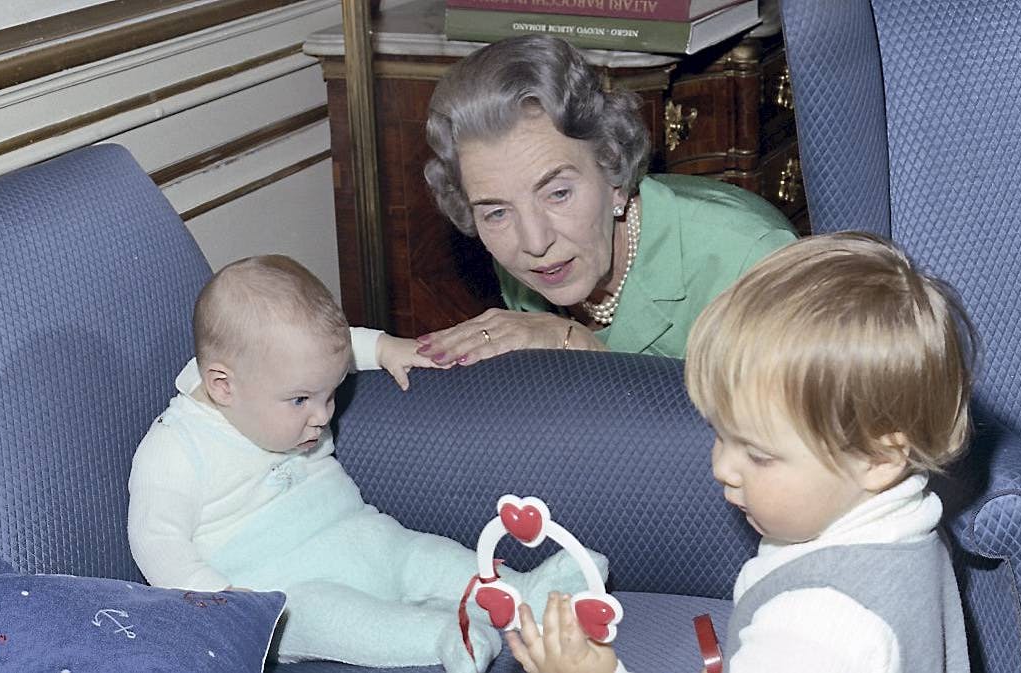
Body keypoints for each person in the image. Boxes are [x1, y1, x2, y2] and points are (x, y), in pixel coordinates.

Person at [505, 232, 975, 673]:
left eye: (758, 454)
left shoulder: (816, 627)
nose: (721, 468)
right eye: (718, 432)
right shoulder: (907, 530)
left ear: (878, 459)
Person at [127, 255, 602, 673]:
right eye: (301, 401)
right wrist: (227, 603)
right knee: (334, 618)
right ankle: (441, 637)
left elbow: (328, 349)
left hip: (361, 534)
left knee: (421, 556)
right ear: (223, 386)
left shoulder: (271, 374)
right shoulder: (175, 449)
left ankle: (526, 595)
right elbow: (157, 542)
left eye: (330, 393)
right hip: (283, 588)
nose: (323, 415)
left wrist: (384, 348)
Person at [419, 34, 797, 365]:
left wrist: (581, 348)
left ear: (614, 172)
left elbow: (787, 437)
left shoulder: (751, 262)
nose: (535, 242)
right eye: (497, 212)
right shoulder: (545, 257)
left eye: (559, 193)